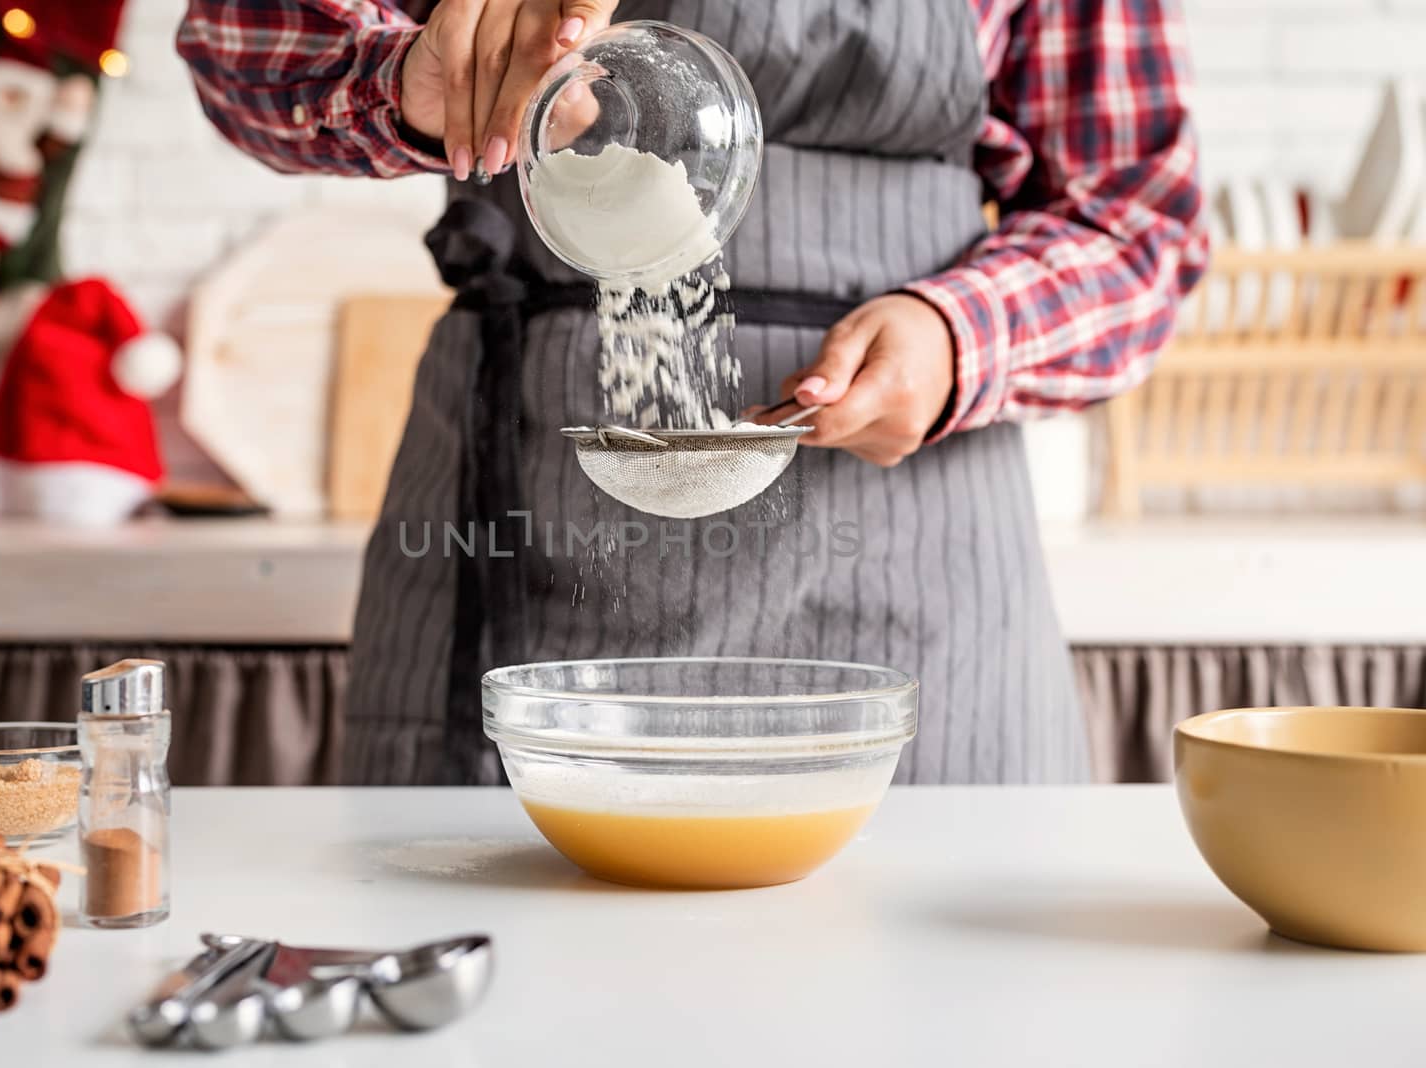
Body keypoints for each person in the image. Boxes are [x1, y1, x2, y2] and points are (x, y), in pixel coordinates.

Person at [178, 0, 1207, 786]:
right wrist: (406, 79)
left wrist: (958, 334)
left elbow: (1136, 224)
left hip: (918, 560)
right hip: (525, 536)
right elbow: (245, 37)